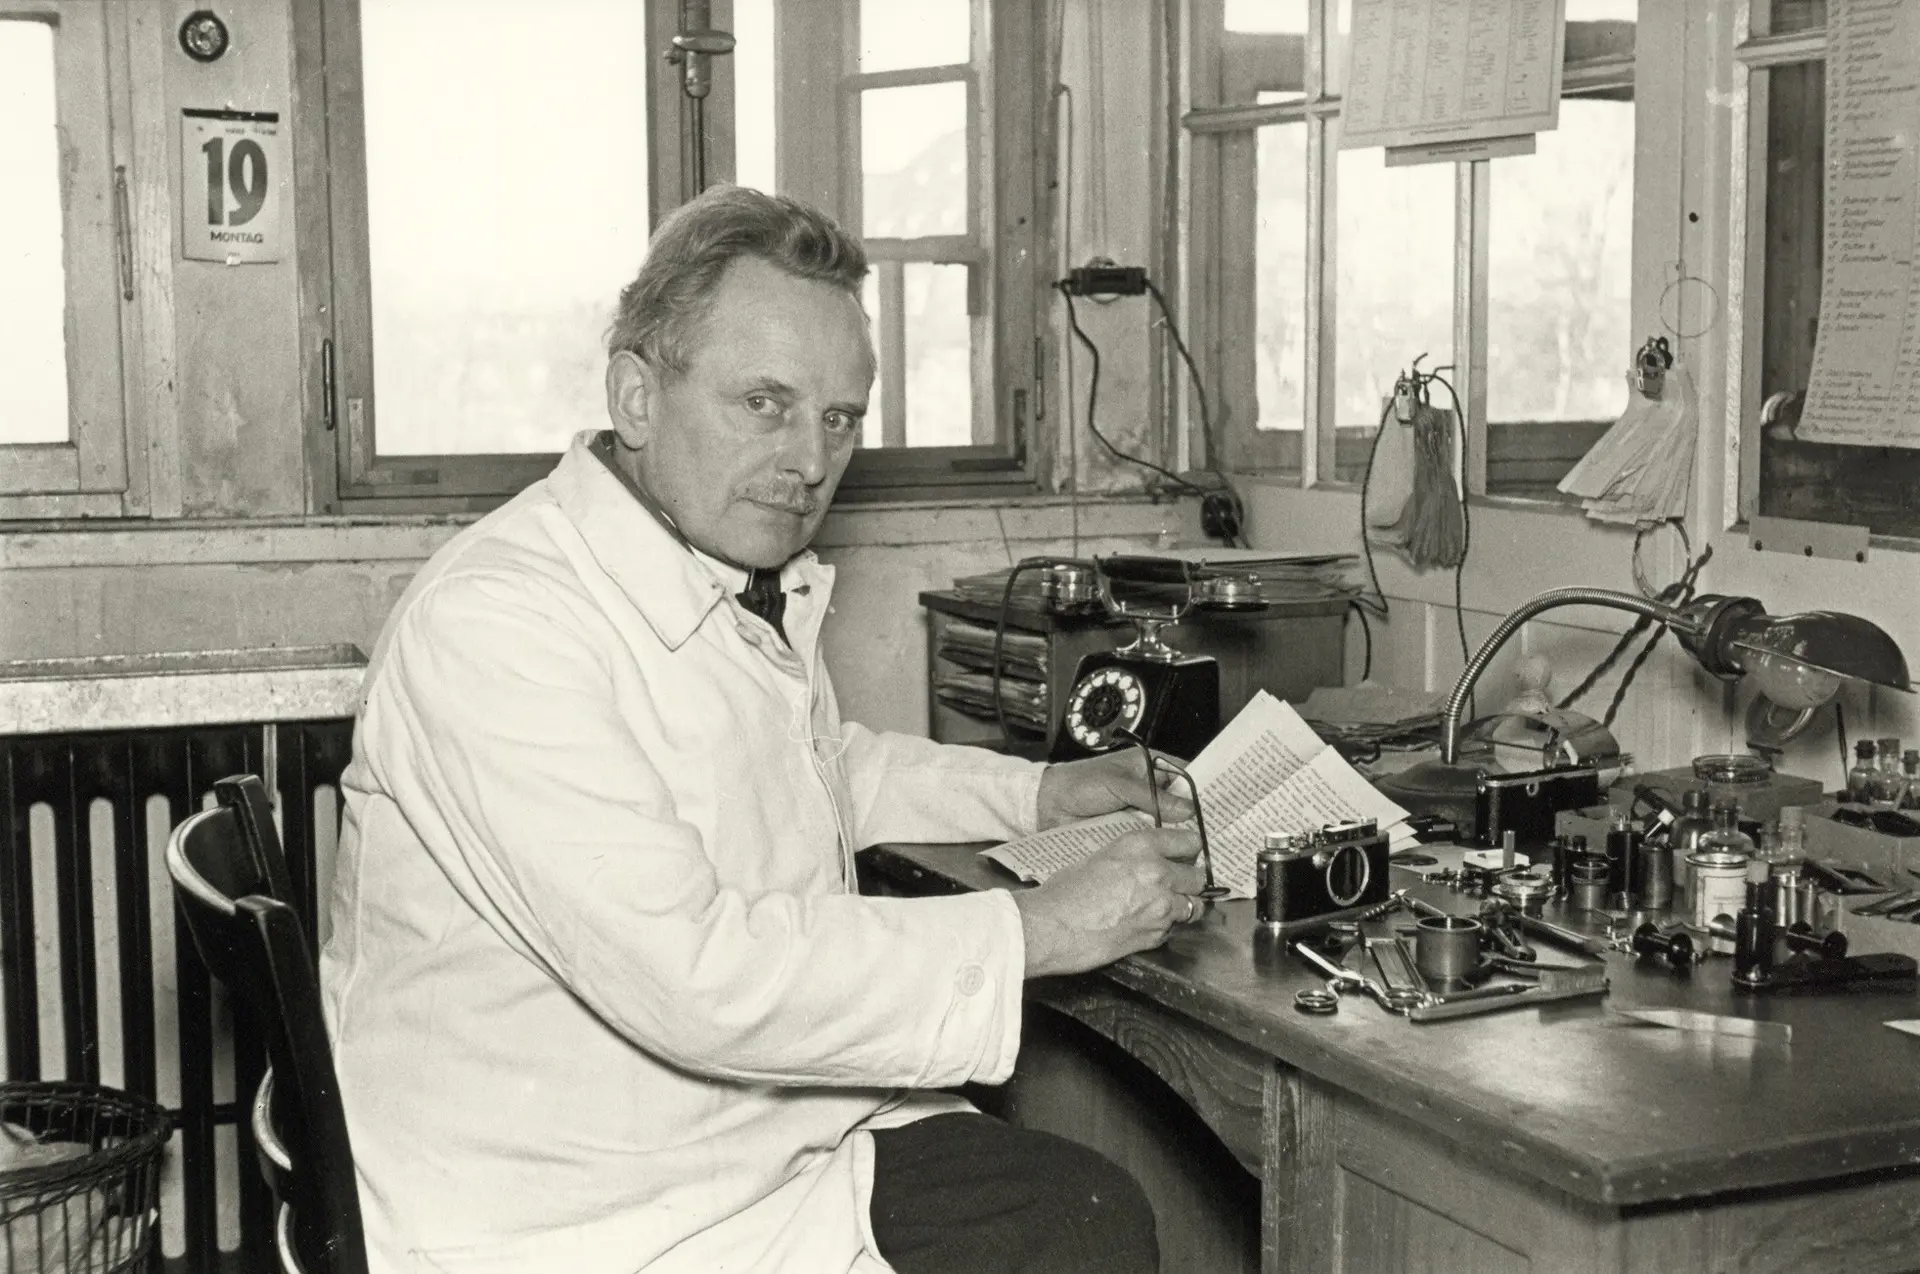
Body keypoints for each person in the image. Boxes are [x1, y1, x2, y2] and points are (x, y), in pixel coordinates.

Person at [321, 184, 1207, 1274]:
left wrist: (1037, 795)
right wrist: (1042, 927)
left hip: (694, 1143)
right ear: (637, 396)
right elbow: (698, 975)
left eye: (838, 418)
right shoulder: (502, 621)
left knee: (1072, 1200)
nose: (809, 459)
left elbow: (814, 765)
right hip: (570, 1211)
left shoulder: (703, 563)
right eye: (765, 403)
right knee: (1083, 1223)